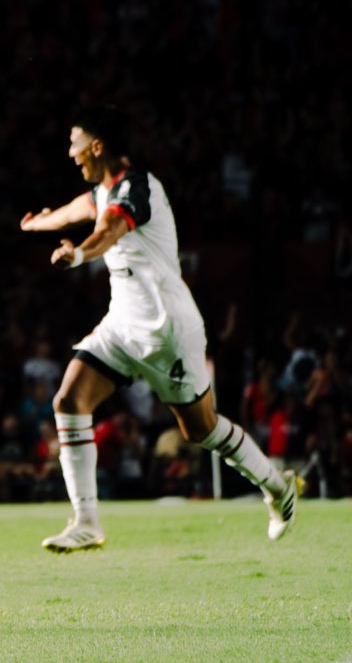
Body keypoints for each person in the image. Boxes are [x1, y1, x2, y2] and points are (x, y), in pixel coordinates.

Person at [19, 107, 298, 551]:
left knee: (201, 430)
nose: (71, 154)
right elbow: (78, 209)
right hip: (123, 324)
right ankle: (87, 522)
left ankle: (277, 487)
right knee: (69, 400)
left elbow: (108, 229)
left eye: (75, 144)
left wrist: (78, 255)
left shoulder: (138, 187)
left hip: (166, 328)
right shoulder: (103, 192)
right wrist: (41, 222)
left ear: (97, 146)